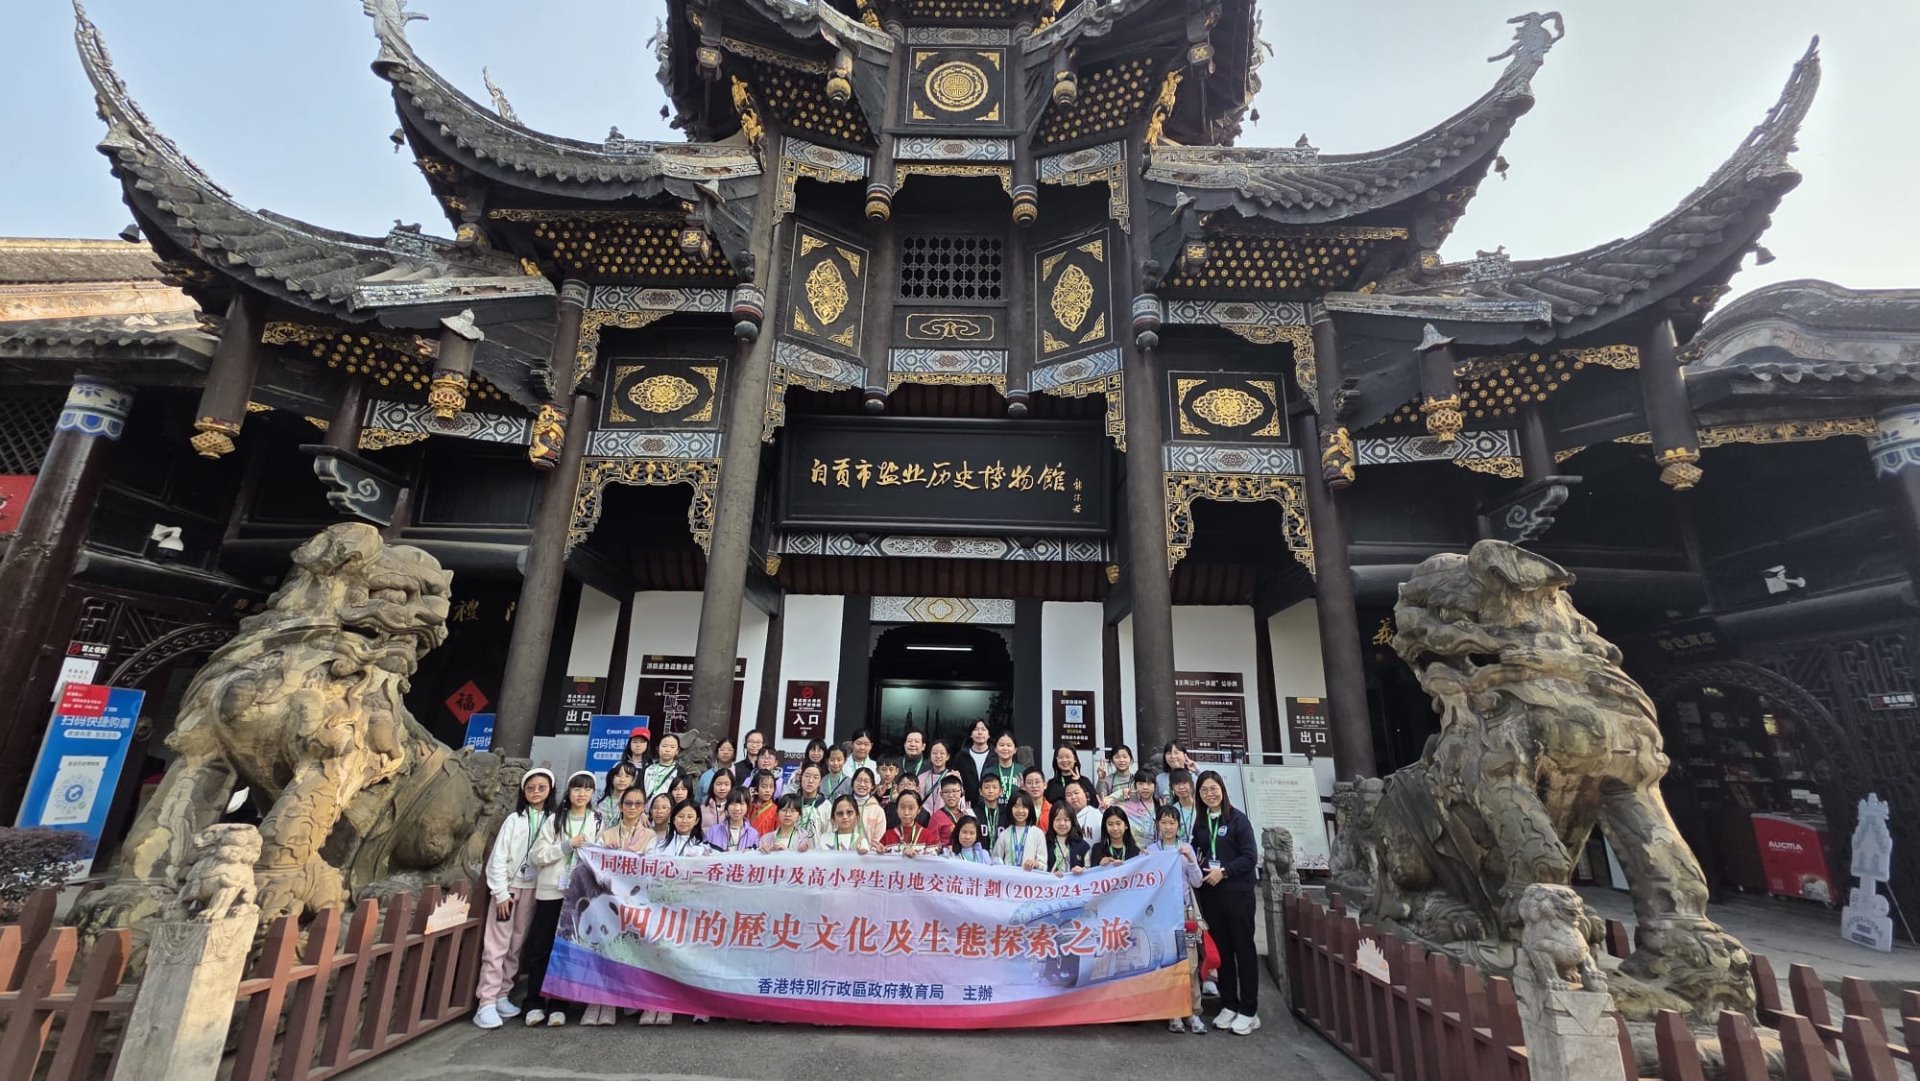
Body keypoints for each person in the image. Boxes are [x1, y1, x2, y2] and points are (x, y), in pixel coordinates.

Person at [474, 768, 557, 1029]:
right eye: (530, 788)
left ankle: (502, 993)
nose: (536, 792)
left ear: (550, 790)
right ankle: (486, 1001)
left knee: (517, 944)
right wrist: (500, 892)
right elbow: (499, 856)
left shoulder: (554, 820)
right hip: (509, 889)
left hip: (533, 888)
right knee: (496, 944)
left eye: (541, 787)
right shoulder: (514, 819)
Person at [521, 771, 600, 1027]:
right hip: (551, 891)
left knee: (566, 949)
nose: (581, 794)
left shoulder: (597, 820)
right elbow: (537, 855)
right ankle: (533, 1002)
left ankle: (558, 1003)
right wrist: (567, 845)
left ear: (593, 793)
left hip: (578, 895)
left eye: (587, 789)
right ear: (569, 792)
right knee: (542, 947)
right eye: (577, 789)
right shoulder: (555, 820)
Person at [1193, 770, 1259, 1035]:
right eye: (1204, 790)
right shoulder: (1201, 824)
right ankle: (1229, 1003)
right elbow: (1198, 852)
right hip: (1213, 897)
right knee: (1223, 953)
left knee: (1244, 950)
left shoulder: (1238, 820)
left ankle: (1249, 1010)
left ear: (1222, 789)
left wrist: (1225, 871)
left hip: (1238, 894)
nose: (1210, 794)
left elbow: (1250, 857)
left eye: (1214, 788)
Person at [1147, 805, 1209, 1035]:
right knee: (1168, 962)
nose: (1168, 827)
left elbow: (1198, 882)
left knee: (1190, 963)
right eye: (1163, 822)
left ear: (1178, 826)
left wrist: (1190, 860)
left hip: (1185, 915)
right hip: (1162, 916)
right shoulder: (1151, 851)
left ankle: (1193, 1011)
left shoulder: (1186, 849)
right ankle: (1172, 1012)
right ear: (1157, 825)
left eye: (1172, 823)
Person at [993, 791, 1046, 870]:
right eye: (1016, 806)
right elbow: (995, 860)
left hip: (1030, 877)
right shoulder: (1004, 834)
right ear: (1010, 808)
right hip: (1009, 877)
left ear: (1030, 809)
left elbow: (1043, 865)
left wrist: (1035, 864)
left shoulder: (1038, 833)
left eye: (1024, 807)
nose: (1020, 811)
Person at [598, 787, 653, 852]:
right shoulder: (606, 835)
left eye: (638, 803)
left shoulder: (650, 836)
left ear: (643, 807)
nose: (633, 807)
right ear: (620, 806)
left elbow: (651, 856)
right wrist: (606, 850)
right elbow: (596, 854)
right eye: (628, 803)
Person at [880, 789, 932, 854]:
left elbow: (933, 858)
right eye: (902, 807)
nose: (906, 813)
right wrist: (880, 854)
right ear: (897, 809)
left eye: (911, 808)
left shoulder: (928, 836)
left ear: (919, 809)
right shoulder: (887, 836)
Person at [1043, 802, 1089, 875]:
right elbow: (1040, 868)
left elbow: (1090, 871)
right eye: (1058, 819)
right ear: (1051, 821)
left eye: (1066, 820)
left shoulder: (1082, 845)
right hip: (1051, 882)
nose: (1062, 823)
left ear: (1072, 821)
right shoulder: (1044, 843)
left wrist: (1082, 870)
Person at [926, 774, 971, 847]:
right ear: (941, 795)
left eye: (954, 791)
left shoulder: (965, 815)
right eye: (946, 792)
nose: (951, 795)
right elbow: (931, 844)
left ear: (962, 793)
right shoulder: (936, 818)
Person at [953, 719, 994, 801]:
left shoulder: (996, 755)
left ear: (989, 734)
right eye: (976, 729)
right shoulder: (961, 756)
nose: (980, 732)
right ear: (971, 734)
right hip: (968, 803)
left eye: (983, 729)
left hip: (992, 802)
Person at [640, 733, 684, 804]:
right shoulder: (647, 769)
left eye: (672, 747)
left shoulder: (680, 771)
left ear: (677, 751)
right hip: (644, 808)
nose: (667, 749)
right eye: (664, 746)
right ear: (658, 748)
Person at [1119, 769, 1160, 843]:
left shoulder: (1160, 805)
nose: (1145, 787)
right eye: (1141, 784)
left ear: (1155, 785)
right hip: (1134, 848)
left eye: (1149, 783)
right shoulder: (1127, 804)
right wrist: (1121, 793)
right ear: (1135, 785)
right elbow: (1104, 803)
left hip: (1156, 848)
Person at [848, 766, 887, 842]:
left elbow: (880, 836)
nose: (862, 784)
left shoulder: (877, 810)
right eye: (859, 780)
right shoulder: (844, 806)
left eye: (866, 781)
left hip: (870, 849)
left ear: (872, 786)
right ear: (852, 783)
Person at [792, 762, 830, 834]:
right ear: (801, 778)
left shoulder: (826, 806)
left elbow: (828, 834)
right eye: (807, 776)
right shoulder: (792, 802)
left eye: (815, 777)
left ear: (820, 782)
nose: (810, 781)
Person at [694, 738, 735, 805]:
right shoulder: (706, 776)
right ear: (717, 753)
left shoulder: (739, 774)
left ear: (734, 753)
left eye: (729, 750)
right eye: (722, 749)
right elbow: (697, 801)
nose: (725, 752)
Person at [975, 772, 1007, 853]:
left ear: (1001, 791)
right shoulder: (974, 813)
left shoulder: (1007, 813)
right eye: (986, 787)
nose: (990, 791)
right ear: (980, 791)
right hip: (980, 857)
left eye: (994, 787)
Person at [1066, 778, 1103, 844]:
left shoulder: (1098, 815)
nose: (1073, 797)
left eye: (1076, 793)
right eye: (1069, 795)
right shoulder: (1064, 818)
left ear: (1087, 796)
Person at [1167, 768, 1200, 843]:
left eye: (1184, 783)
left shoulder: (1201, 807)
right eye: (1176, 784)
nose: (1181, 787)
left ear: (1191, 784)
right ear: (1172, 787)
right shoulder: (1172, 810)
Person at [1018, 767, 1052, 833]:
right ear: (1024, 786)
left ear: (1045, 785)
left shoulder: (1052, 810)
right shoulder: (1020, 811)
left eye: (1037, 782)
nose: (1034, 786)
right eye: (1029, 783)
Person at [746, 769, 779, 834]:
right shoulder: (747, 806)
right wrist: (747, 800)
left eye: (771, 787)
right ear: (755, 788)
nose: (768, 790)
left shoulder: (776, 810)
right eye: (764, 787)